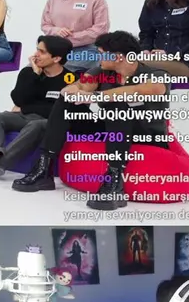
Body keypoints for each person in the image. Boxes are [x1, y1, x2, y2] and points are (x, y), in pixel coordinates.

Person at [19, 31, 172, 210]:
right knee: (66, 100)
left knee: (117, 104)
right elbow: (82, 84)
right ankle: (44, 168)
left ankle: (114, 181)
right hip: (113, 129)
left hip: (145, 134)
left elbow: (145, 90)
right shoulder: (102, 71)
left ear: (118, 57)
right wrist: (72, 90)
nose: (97, 58)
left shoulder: (156, 74)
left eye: (101, 54)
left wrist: (97, 96)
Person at [0, 35, 72, 182]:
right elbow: (19, 99)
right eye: (37, 49)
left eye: (42, 52)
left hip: (48, 121)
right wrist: (34, 75)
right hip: (25, 116)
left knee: (36, 124)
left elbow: (58, 110)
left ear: (56, 58)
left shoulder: (70, 79)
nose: (35, 55)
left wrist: (29, 107)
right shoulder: (28, 73)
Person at [41, 0, 110, 70]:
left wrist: (70, 39)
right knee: (30, 70)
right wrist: (56, 31)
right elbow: (45, 25)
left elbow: (100, 29)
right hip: (56, 50)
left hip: (86, 50)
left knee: (59, 68)